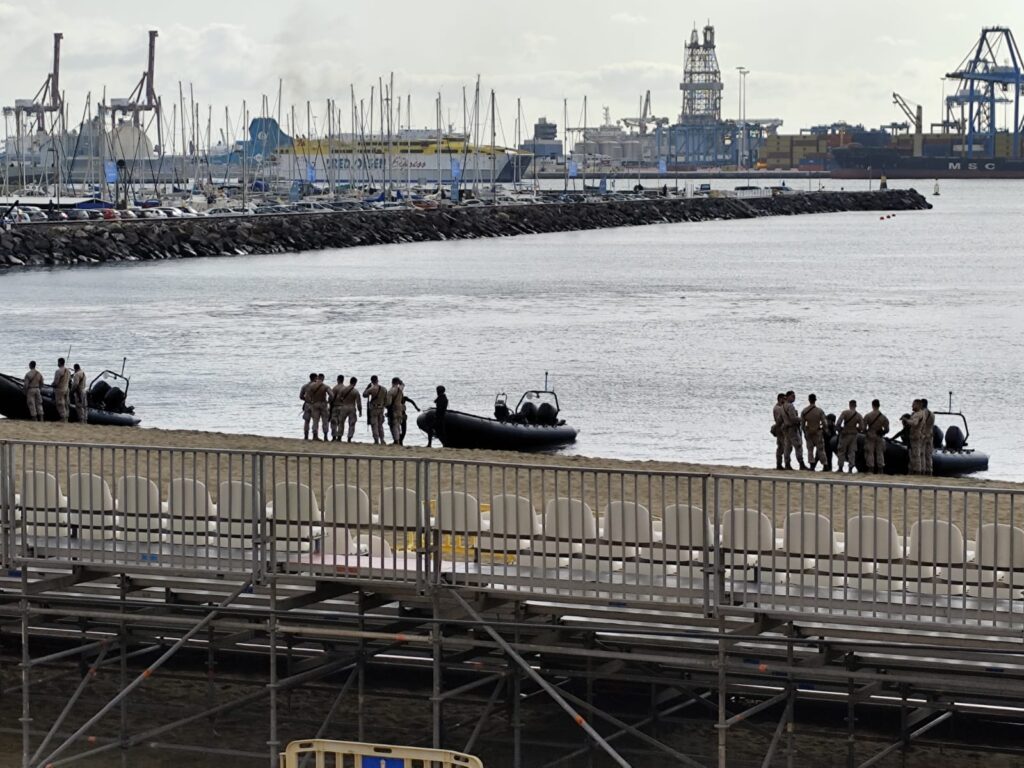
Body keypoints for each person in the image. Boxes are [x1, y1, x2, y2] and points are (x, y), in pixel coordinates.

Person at [800, 393, 828, 471]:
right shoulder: (819, 411)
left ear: (809, 400)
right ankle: (825, 465)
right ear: (815, 400)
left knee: (810, 450)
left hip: (809, 432)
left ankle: (812, 465)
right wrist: (825, 430)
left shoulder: (804, 411)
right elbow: (824, 422)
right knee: (821, 450)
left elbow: (802, 424)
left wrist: (804, 433)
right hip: (818, 432)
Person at [835, 400, 863, 473]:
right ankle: (850, 468)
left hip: (845, 434)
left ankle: (840, 468)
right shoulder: (858, 415)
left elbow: (838, 423)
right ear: (855, 405)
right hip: (853, 435)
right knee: (852, 452)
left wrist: (839, 430)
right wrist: (856, 429)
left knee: (841, 451)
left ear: (849, 405)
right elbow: (861, 427)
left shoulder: (845, 413)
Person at [901, 400, 928, 474]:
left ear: (918, 406)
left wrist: (906, 420)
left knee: (916, 455)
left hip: (915, 436)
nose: (912, 406)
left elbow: (915, 423)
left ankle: (917, 471)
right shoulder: (921, 413)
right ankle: (915, 470)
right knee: (915, 454)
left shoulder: (918, 414)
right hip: (917, 436)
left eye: (913, 405)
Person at [863, 399, 890, 474]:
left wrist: (866, 433)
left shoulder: (868, 415)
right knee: (880, 453)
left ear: (872, 405)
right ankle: (880, 469)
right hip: (879, 436)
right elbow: (887, 429)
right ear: (879, 405)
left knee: (870, 452)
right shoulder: (883, 417)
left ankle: (870, 468)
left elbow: (863, 428)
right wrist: (882, 432)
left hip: (870, 435)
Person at [334, 376, 362, 443]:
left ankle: (339, 437)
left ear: (350, 382)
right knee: (352, 423)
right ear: (355, 383)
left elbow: (338, 398)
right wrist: (360, 411)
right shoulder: (356, 391)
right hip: (352, 407)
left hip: (344, 406)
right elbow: (358, 402)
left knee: (341, 422)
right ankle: (349, 438)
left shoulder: (343, 389)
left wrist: (342, 403)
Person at [784, 391, 808, 470]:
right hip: (792, 428)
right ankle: (801, 464)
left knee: (787, 446)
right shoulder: (790, 406)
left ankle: (787, 463)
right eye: (792, 396)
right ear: (787, 397)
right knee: (798, 446)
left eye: (794, 396)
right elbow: (793, 418)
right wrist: (801, 419)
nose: (794, 398)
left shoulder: (783, 406)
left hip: (786, 428)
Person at [305, 374, 330, 441]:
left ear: (317, 378)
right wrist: (328, 401)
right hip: (323, 404)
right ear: (323, 378)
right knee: (325, 420)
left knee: (315, 421)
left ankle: (315, 436)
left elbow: (307, 396)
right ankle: (325, 436)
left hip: (315, 404)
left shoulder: (311, 386)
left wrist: (311, 401)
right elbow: (332, 395)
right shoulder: (325, 386)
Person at [363, 376, 387, 445]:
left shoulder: (372, 389)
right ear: (377, 380)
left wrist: (367, 388)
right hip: (381, 408)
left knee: (374, 425)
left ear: (372, 381)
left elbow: (364, 395)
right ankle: (382, 439)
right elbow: (386, 401)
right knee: (380, 425)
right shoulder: (384, 389)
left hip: (374, 409)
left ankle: (376, 440)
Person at [771, 393, 789, 470]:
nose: (785, 400)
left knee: (782, 447)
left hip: (781, 429)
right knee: (783, 447)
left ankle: (780, 464)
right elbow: (780, 420)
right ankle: (780, 464)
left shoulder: (779, 407)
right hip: (780, 429)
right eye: (783, 399)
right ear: (779, 399)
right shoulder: (778, 408)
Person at [387, 377, 405, 445]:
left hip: (393, 409)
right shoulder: (400, 389)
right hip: (400, 409)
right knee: (397, 425)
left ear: (392, 382)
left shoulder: (391, 391)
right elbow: (403, 384)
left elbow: (388, 403)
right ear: (397, 382)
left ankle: (396, 440)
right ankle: (398, 440)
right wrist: (400, 382)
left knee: (393, 425)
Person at [52, 357, 71, 423]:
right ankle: (67, 418)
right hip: (66, 389)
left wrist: (52, 385)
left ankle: (63, 418)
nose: (57, 363)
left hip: (60, 390)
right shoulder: (68, 371)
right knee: (66, 404)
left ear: (60, 362)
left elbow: (56, 382)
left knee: (60, 404)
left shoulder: (58, 371)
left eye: (58, 362)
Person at [299, 372, 316, 439]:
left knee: (306, 421)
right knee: (315, 420)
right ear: (315, 378)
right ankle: (314, 435)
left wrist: (306, 400)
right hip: (314, 405)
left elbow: (301, 396)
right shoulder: (317, 386)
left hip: (307, 404)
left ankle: (306, 436)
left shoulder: (305, 386)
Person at [922, 398, 935, 476]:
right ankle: (929, 470)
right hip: (930, 435)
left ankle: (922, 470)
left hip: (923, 436)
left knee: (922, 454)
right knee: (929, 455)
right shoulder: (932, 414)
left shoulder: (922, 413)